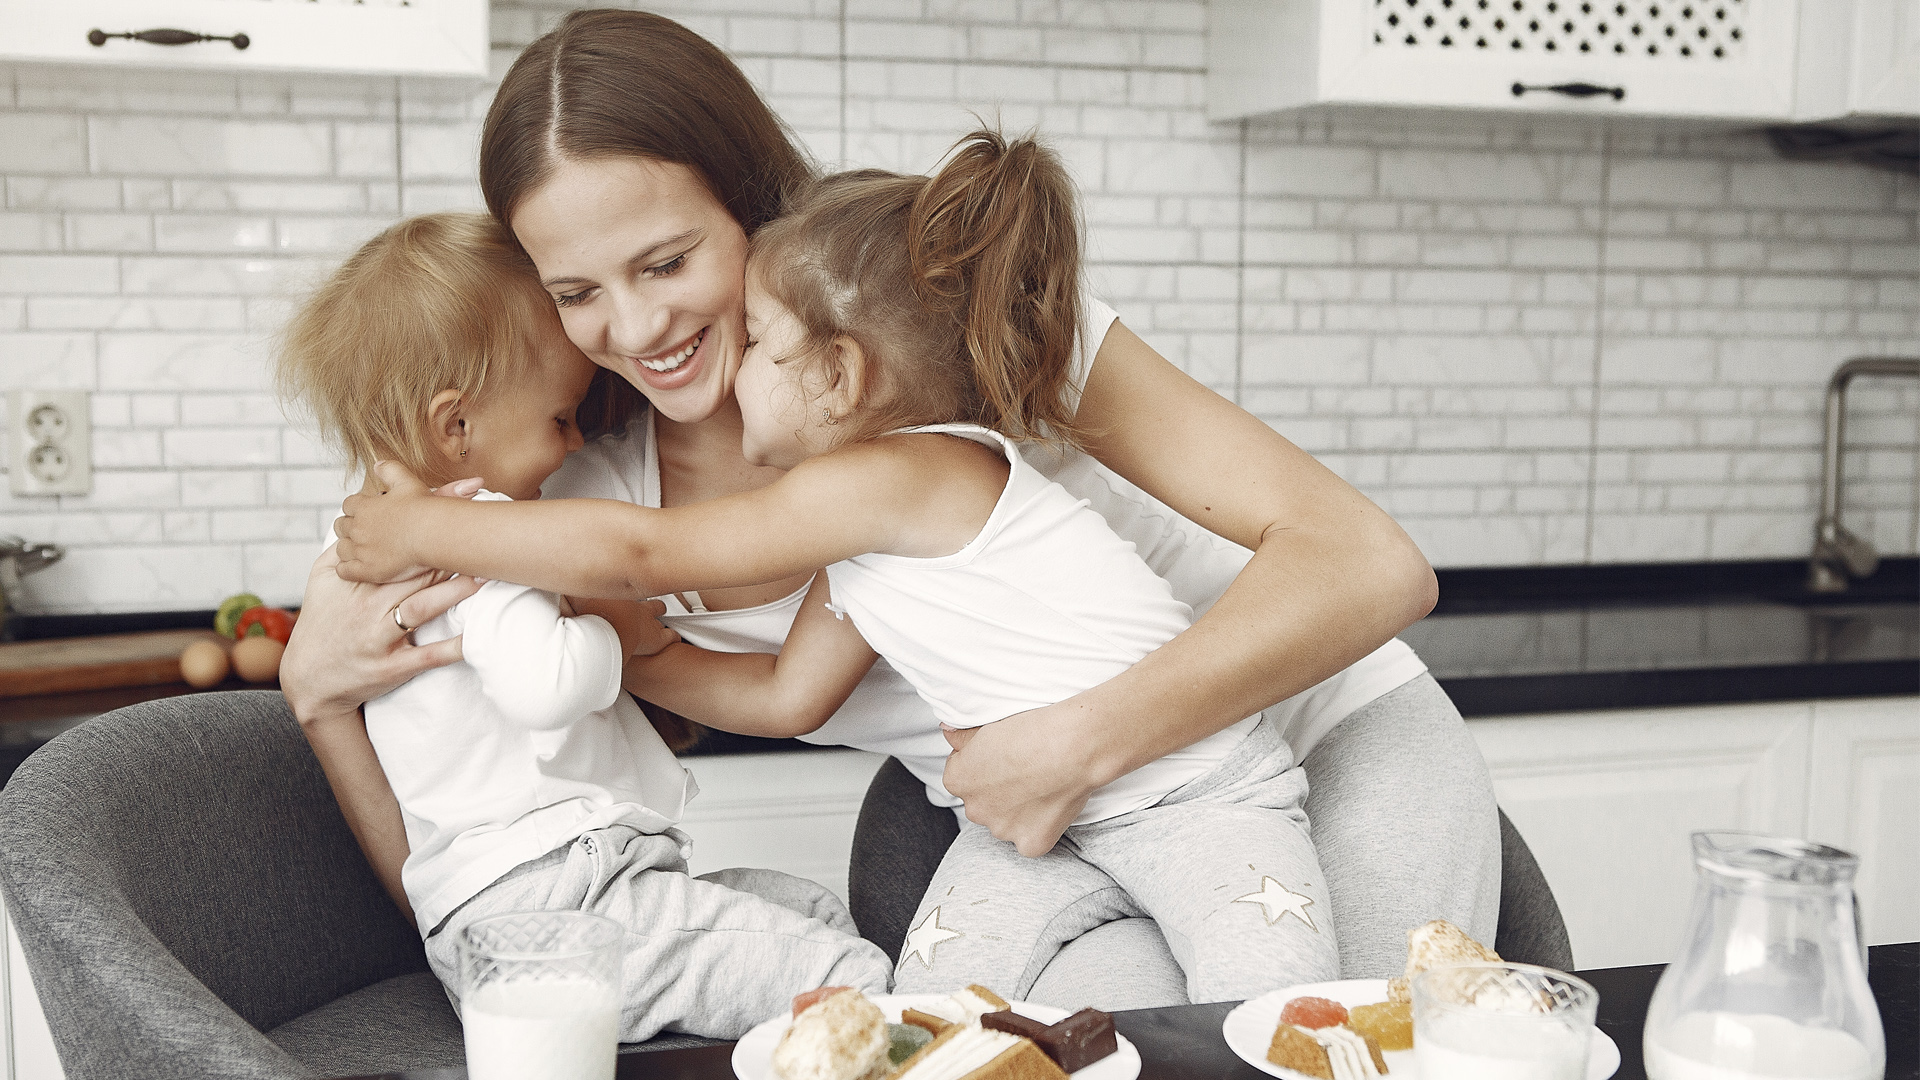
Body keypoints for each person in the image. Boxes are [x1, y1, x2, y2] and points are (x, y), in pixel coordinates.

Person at [284, 8, 1498, 1004]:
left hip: (1312, 745)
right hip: (1066, 839)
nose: (639, 330)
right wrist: (321, 693)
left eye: (666, 262)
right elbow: (483, 851)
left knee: (1307, 1043)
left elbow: (1368, 563)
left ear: (750, 204)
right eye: (577, 292)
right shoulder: (583, 505)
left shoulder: (953, 327)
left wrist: (1079, 741)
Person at [275, 211, 892, 1042]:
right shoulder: (470, 536)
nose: (571, 448)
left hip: (532, 910)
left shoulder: (369, 543)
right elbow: (545, 685)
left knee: (807, 911)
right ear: (456, 427)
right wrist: (616, 629)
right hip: (559, 908)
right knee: (850, 979)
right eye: (559, 419)